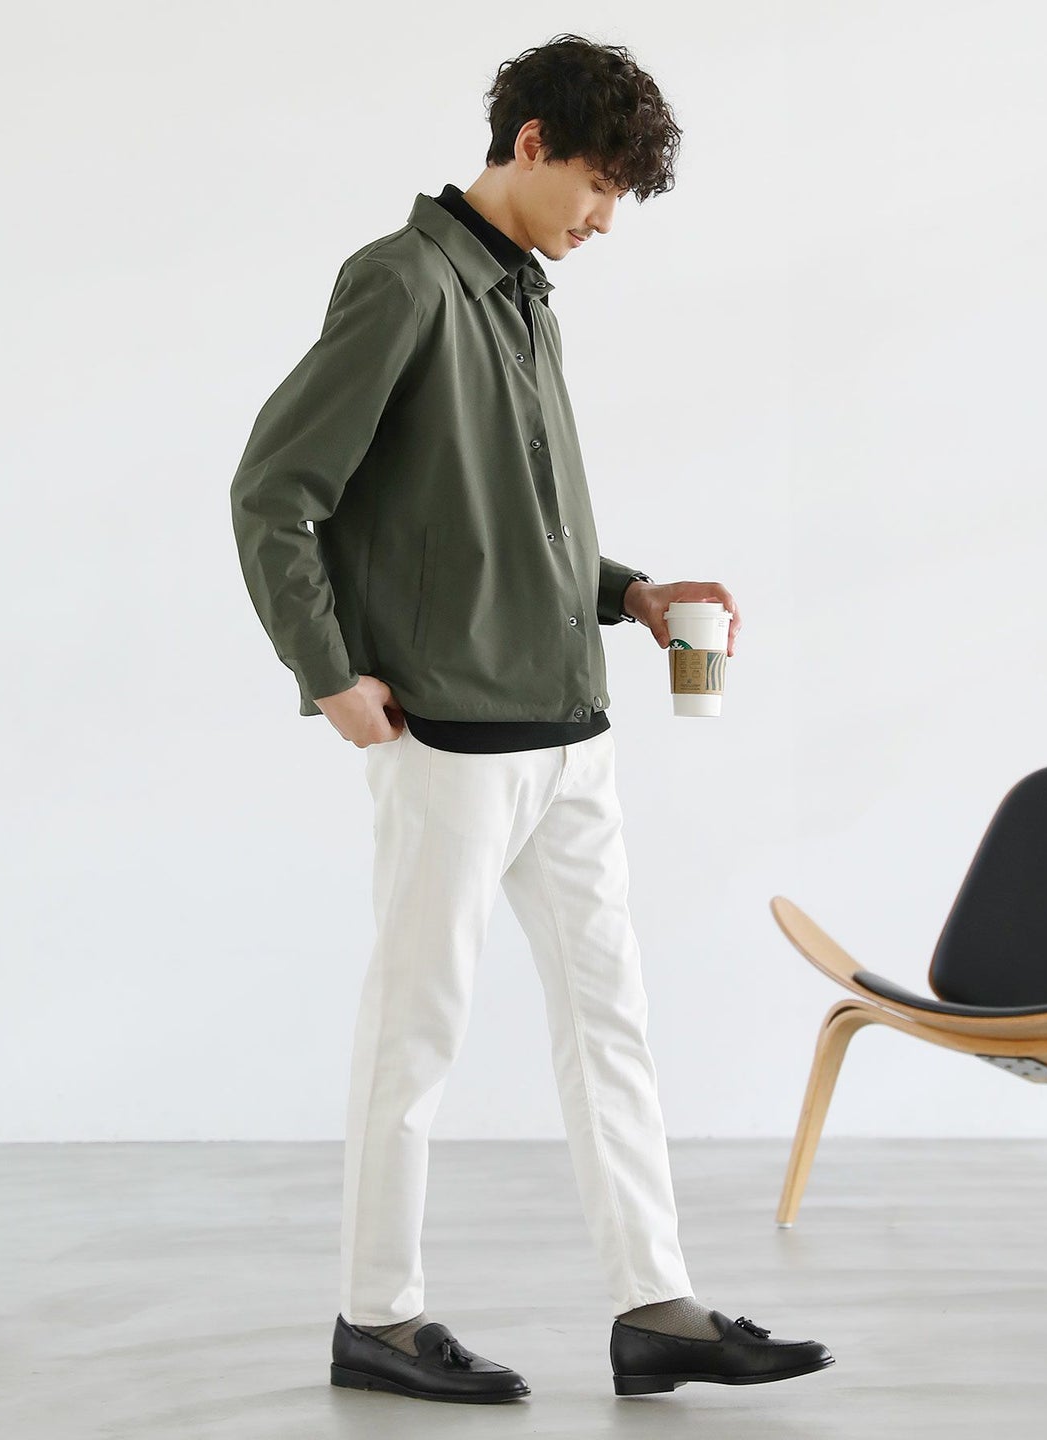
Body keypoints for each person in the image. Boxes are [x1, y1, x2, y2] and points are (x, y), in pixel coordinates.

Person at [229, 31, 832, 1405]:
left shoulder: (523, 295)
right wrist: (329, 673)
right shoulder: (403, 282)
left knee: (612, 1022)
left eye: (623, 194)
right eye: (599, 184)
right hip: (449, 740)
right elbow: (273, 492)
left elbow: (508, 523)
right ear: (532, 142)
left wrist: (632, 594)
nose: (606, 218)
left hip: (569, 731)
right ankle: (378, 1318)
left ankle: (657, 1309)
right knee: (417, 1030)